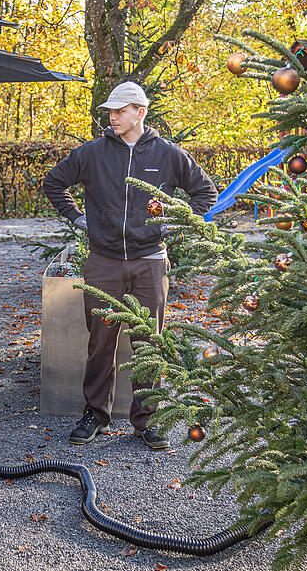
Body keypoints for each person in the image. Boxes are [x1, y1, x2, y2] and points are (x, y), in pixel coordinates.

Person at [43, 81, 217, 448]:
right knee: (101, 339)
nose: (113, 116)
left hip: (149, 262)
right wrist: (78, 219)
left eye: (121, 110)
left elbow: (205, 193)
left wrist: (176, 224)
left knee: (148, 343)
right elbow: (54, 183)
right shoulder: (92, 153)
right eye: (111, 111)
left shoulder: (169, 154)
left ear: (140, 112)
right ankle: (95, 415)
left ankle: (147, 420)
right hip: (103, 261)